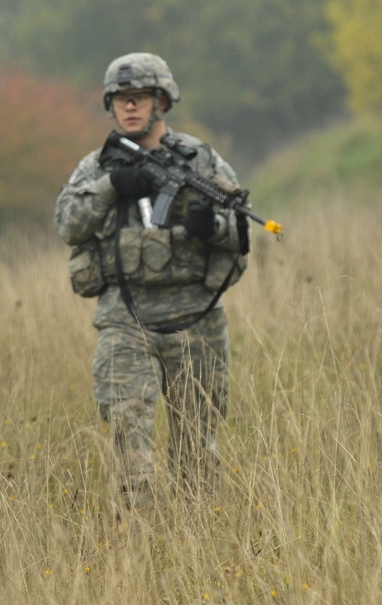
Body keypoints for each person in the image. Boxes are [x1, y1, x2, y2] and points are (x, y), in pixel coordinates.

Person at [53, 52, 247, 508]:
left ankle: (195, 546)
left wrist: (211, 226)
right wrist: (113, 188)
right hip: (125, 319)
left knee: (198, 445)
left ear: (162, 101)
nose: (129, 107)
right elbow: (68, 225)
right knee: (126, 428)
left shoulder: (201, 159)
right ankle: (142, 540)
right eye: (120, 100)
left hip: (196, 319)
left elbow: (240, 232)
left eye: (139, 98)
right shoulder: (100, 166)